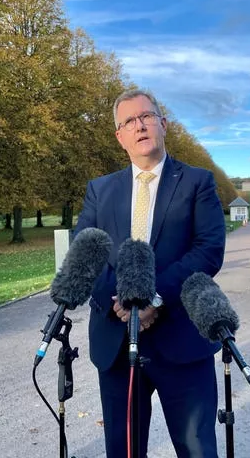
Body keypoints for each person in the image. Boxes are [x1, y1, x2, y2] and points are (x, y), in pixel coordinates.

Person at [73, 89, 226, 457]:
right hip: (116, 341)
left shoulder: (197, 182)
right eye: (129, 121)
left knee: (197, 449)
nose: (139, 125)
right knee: (123, 451)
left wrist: (151, 298)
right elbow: (86, 253)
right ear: (119, 136)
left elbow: (207, 250)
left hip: (182, 339)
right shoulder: (100, 190)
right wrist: (123, 302)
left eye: (146, 116)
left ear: (163, 124)